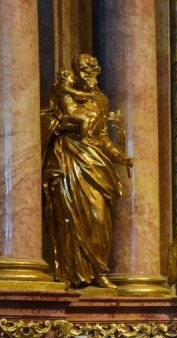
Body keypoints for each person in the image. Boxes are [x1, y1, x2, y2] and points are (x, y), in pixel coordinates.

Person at [41, 53, 133, 289]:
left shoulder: (101, 100)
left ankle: (99, 271)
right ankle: (71, 273)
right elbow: (48, 121)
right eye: (83, 71)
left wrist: (120, 157)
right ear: (75, 74)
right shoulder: (63, 93)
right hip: (68, 159)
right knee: (67, 217)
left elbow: (102, 136)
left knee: (99, 218)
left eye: (92, 71)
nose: (89, 75)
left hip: (94, 162)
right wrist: (61, 125)